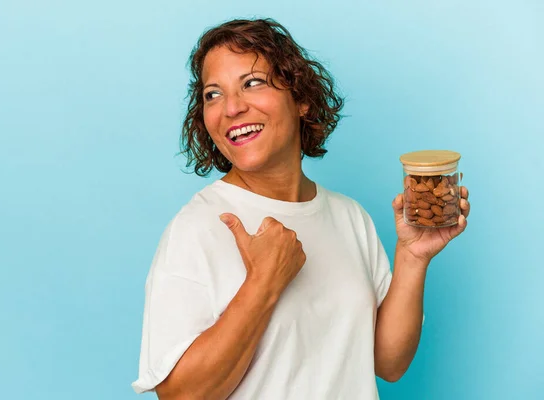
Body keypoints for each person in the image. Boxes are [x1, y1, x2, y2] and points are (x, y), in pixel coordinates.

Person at [132, 18, 471, 399]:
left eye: (252, 83)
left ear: (301, 99)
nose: (231, 108)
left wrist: (412, 256)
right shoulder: (198, 227)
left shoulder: (348, 216)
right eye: (213, 94)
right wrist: (264, 283)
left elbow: (388, 364)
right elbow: (179, 395)